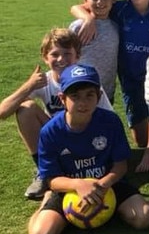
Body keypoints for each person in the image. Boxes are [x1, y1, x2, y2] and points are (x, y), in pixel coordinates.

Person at [27, 64, 149, 234]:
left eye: (89, 95)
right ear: (62, 99)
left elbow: (121, 166)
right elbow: (51, 179)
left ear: (99, 96)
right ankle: (46, 203)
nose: (83, 103)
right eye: (75, 96)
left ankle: (113, 207)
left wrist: (102, 185)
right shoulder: (50, 131)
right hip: (68, 189)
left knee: (145, 218)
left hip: (109, 184)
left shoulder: (110, 121)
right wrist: (78, 185)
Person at [73, 0, 149, 173]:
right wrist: (88, 17)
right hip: (129, 79)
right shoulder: (120, 9)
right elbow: (80, 6)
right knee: (140, 139)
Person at [1, 29, 114, 200]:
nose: (61, 59)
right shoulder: (44, 82)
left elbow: (109, 119)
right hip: (57, 138)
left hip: (86, 136)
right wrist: (29, 85)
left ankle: (92, 165)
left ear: (78, 56)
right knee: (26, 109)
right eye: (55, 54)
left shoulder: (87, 84)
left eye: (67, 54)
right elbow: (3, 112)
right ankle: (43, 171)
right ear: (45, 57)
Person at [69, 0, 119, 104]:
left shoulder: (116, 26)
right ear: (85, 0)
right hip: (80, 93)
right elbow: (68, 57)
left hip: (106, 93)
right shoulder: (79, 27)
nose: (99, 2)